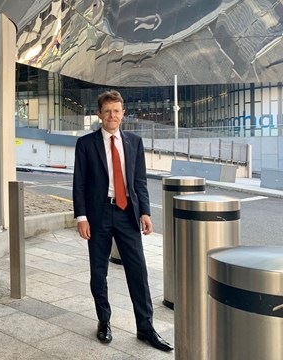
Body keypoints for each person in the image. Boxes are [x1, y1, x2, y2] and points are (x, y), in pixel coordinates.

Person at [72, 90, 173, 352]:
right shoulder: (86, 144)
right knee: (99, 272)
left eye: (117, 111)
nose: (112, 115)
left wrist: (146, 213)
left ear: (123, 114)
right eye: (107, 111)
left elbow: (139, 181)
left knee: (138, 271)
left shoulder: (134, 142)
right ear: (99, 114)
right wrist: (81, 217)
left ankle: (146, 327)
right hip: (98, 215)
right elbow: (79, 184)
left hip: (128, 214)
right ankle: (104, 321)